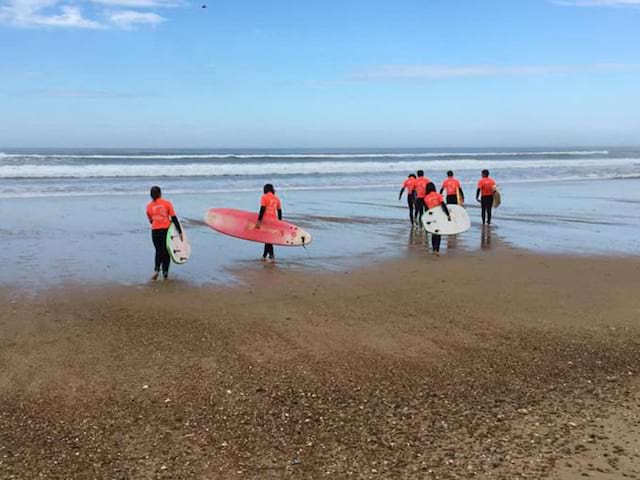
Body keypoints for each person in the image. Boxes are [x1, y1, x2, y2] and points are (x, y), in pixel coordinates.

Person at [146, 186, 182, 281]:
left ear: (151, 195)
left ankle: (156, 270)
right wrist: (180, 231)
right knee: (166, 253)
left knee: (158, 251)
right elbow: (174, 218)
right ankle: (165, 274)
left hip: (155, 231)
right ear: (160, 193)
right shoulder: (167, 203)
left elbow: (151, 221)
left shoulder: (149, 206)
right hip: (166, 231)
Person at [256, 183, 282, 262]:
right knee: (268, 239)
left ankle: (268, 256)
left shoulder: (264, 197)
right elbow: (279, 211)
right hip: (274, 220)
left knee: (267, 239)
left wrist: (259, 220)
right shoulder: (277, 198)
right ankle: (268, 256)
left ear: (266, 189)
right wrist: (280, 222)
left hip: (266, 220)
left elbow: (262, 209)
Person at [424, 182, 451, 255]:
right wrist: (448, 214)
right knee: (438, 233)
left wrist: (427, 219)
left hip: (431, 216)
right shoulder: (439, 195)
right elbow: (443, 205)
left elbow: (426, 210)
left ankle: (434, 249)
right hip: (438, 216)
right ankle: (437, 250)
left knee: (433, 232)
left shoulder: (426, 197)